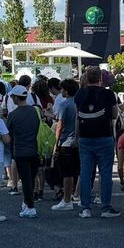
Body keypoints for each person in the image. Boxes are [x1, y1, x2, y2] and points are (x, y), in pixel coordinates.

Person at [74, 67, 120, 219]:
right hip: (104, 136)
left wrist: (76, 136)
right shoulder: (108, 94)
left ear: (86, 78)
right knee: (105, 173)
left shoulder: (80, 94)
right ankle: (106, 206)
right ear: (101, 78)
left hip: (85, 137)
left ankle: (85, 207)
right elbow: (114, 113)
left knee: (86, 172)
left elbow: (77, 115)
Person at [5, 86, 43, 219]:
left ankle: (30, 207)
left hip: (20, 150)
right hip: (34, 149)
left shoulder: (13, 115)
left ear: (16, 97)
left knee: (26, 180)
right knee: (31, 179)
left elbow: (7, 134)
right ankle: (27, 203)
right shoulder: (35, 111)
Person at [51, 77, 80, 210]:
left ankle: (66, 199)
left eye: (63, 89)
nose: (61, 91)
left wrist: (56, 144)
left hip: (65, 141)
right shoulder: (79, 103)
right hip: (78, 141)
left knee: (66, 172)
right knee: (78, 171)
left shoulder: (64, 104)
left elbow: (60, 125)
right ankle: (77, 195)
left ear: (67, 91)